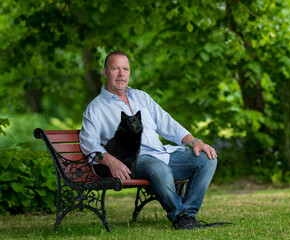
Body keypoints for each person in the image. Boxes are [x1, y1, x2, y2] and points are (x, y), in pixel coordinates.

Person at [79, 50, 217, 230]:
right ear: (105, 72)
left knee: (207, 158)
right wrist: (112, 162)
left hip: (163, 154)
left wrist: (194, 141)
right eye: (115, 69)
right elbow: (88, 143)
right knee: (158, 168)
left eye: (125, 69)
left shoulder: (141, 97)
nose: (121, 74)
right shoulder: (96, 108)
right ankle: (178, 215)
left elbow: (168, 123)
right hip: (135, 161)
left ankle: (187, 216)